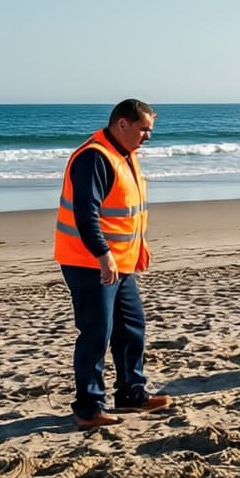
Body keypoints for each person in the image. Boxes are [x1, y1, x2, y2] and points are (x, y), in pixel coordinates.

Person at [53, 99, 171, 430]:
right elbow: (85, 214)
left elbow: (126, 212)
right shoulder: (95, 157)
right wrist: (103, 256)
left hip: (121, 263)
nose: (148, 136)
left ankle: (132, 394)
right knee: (96, 334)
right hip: (90, 263)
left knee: (132, 326)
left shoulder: (123, 154)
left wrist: (137, 249)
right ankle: (88, 408)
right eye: (144, 129)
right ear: (122, 124)